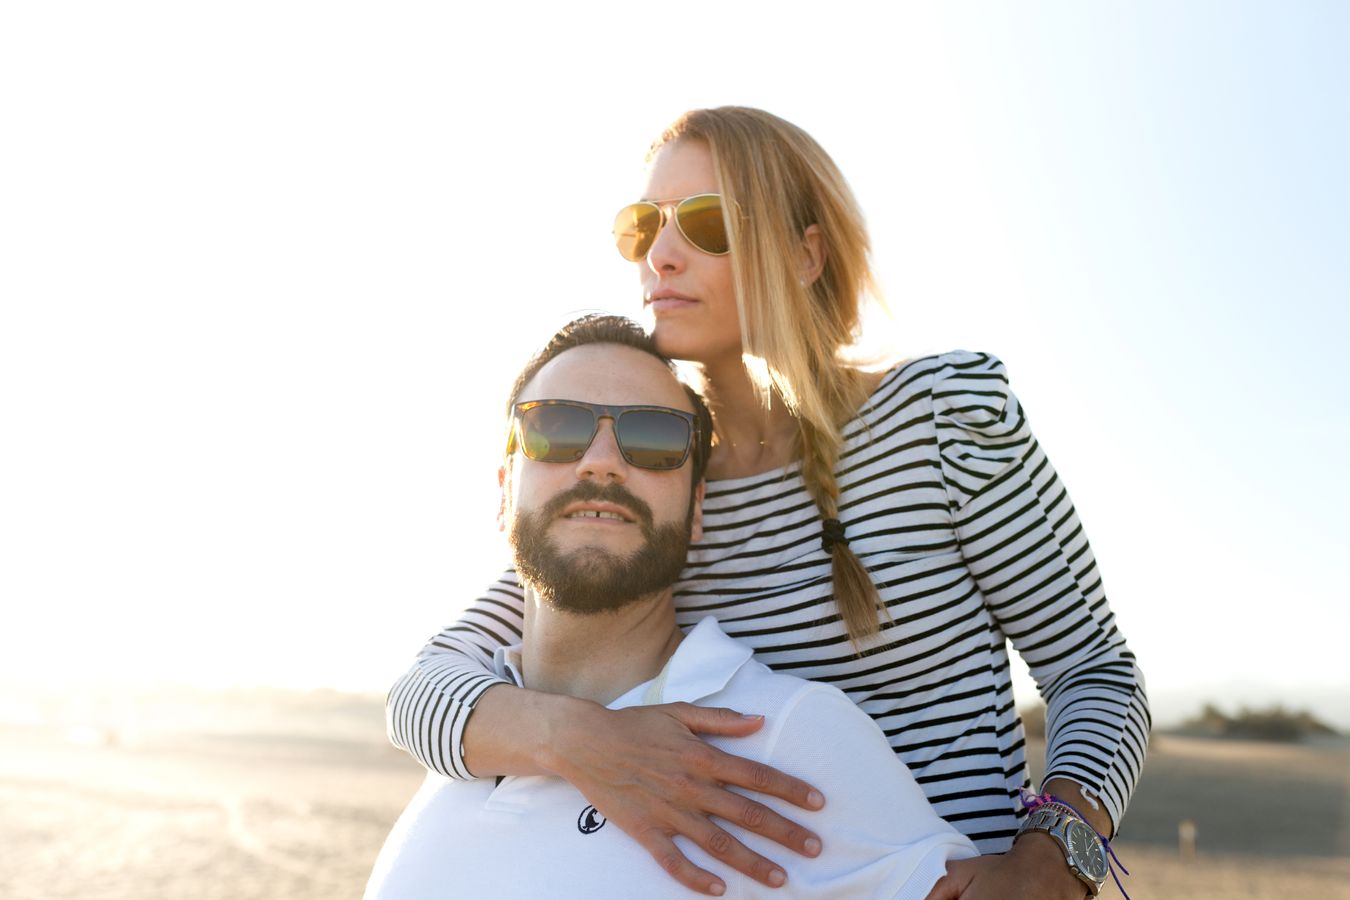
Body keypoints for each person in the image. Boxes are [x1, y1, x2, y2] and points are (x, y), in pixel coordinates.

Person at [387, 107, 1149, 899]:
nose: (662, 254)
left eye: (706, 224)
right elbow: (425, 691)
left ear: (804, 253)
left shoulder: (942, 418)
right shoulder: (657, 480)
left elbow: (1095, 669)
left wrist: (1053, 857)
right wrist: (582, 740)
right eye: (643, 226)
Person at [365, 316, 979, 899]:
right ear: (504, 491)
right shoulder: (464, 736)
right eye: (555, 426)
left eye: (654, 437)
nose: (601, 461)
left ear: (697, 510)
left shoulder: (789, 737)